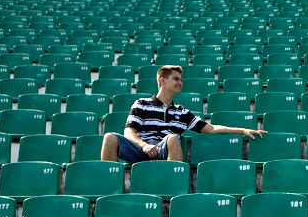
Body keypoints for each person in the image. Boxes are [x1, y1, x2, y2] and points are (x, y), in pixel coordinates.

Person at [101, 65, 267, 163]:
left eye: (181, 79)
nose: (180, 82)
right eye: (176, 79)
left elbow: (210, 128)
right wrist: (144, 145)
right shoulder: (141, 104)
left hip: (163, 151)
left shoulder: (182, 112)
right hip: (141, 149)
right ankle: (106, 188)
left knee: (173, 138)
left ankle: (173, 182)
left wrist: (243, 131)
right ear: (162, 80)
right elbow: (129, 131)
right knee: (109, 137)